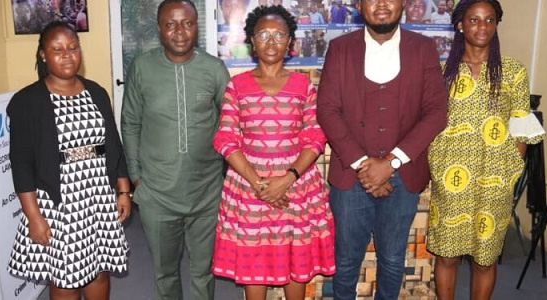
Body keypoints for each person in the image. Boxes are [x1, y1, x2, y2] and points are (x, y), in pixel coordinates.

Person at [316, 0, 448, 299]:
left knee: (391, 260)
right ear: (360, 5)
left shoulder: (423, 48)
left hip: (403, 176)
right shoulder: (341, 48)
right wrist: (365, 165)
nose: (382, 4)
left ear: (402, 3)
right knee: (347, 261)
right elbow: (327, 110)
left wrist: (391, 162)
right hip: (351, 176)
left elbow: (437, 111)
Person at [211, 5, 336, 300]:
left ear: (290, 42)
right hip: (248, 185)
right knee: (256, 260)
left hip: (296, 186)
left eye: (279, 35)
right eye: (263, 34)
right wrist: (259, 183)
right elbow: (226, 138)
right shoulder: (236, 86)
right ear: (252, 41)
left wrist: (288, 178)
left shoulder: (303, 86)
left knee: (295, 257)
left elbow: (315, 136)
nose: (270, 41)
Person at [426, 1, 545, 299]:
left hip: (494, 183)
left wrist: (508, 172)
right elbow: (427, 123)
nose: (482, 27)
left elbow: (520, 127)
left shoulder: (513, 72)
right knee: (447, 256)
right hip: (451, 180)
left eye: (489, 20)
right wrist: (438, 169)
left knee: (484, 259)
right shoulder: (441, 72)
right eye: (475, 20)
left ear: (496, 25)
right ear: (460, 25)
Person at [6, 21, 131, 300]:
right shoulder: (27, 101)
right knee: (66, 276)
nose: (67, 54)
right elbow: (22, 165)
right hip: (61, 202)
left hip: (98, 196)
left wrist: (123, 190)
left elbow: (113, 145)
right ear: (42, 54)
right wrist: (34, 218)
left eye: (73, 48)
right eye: (57, 49)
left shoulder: (96, 93)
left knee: (100, 268)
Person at [120, 0, 230, 299]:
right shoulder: (142, 68)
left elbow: (231, 125)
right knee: (164, 272)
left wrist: (226, 174)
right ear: (159, 28)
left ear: (197, 27)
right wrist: (136, 176)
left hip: (206, 192)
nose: (179, 32)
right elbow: (129, 124)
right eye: (170, 24)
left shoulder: (214, 69)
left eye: (187, 23)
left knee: (202, 271)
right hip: (157, 193)